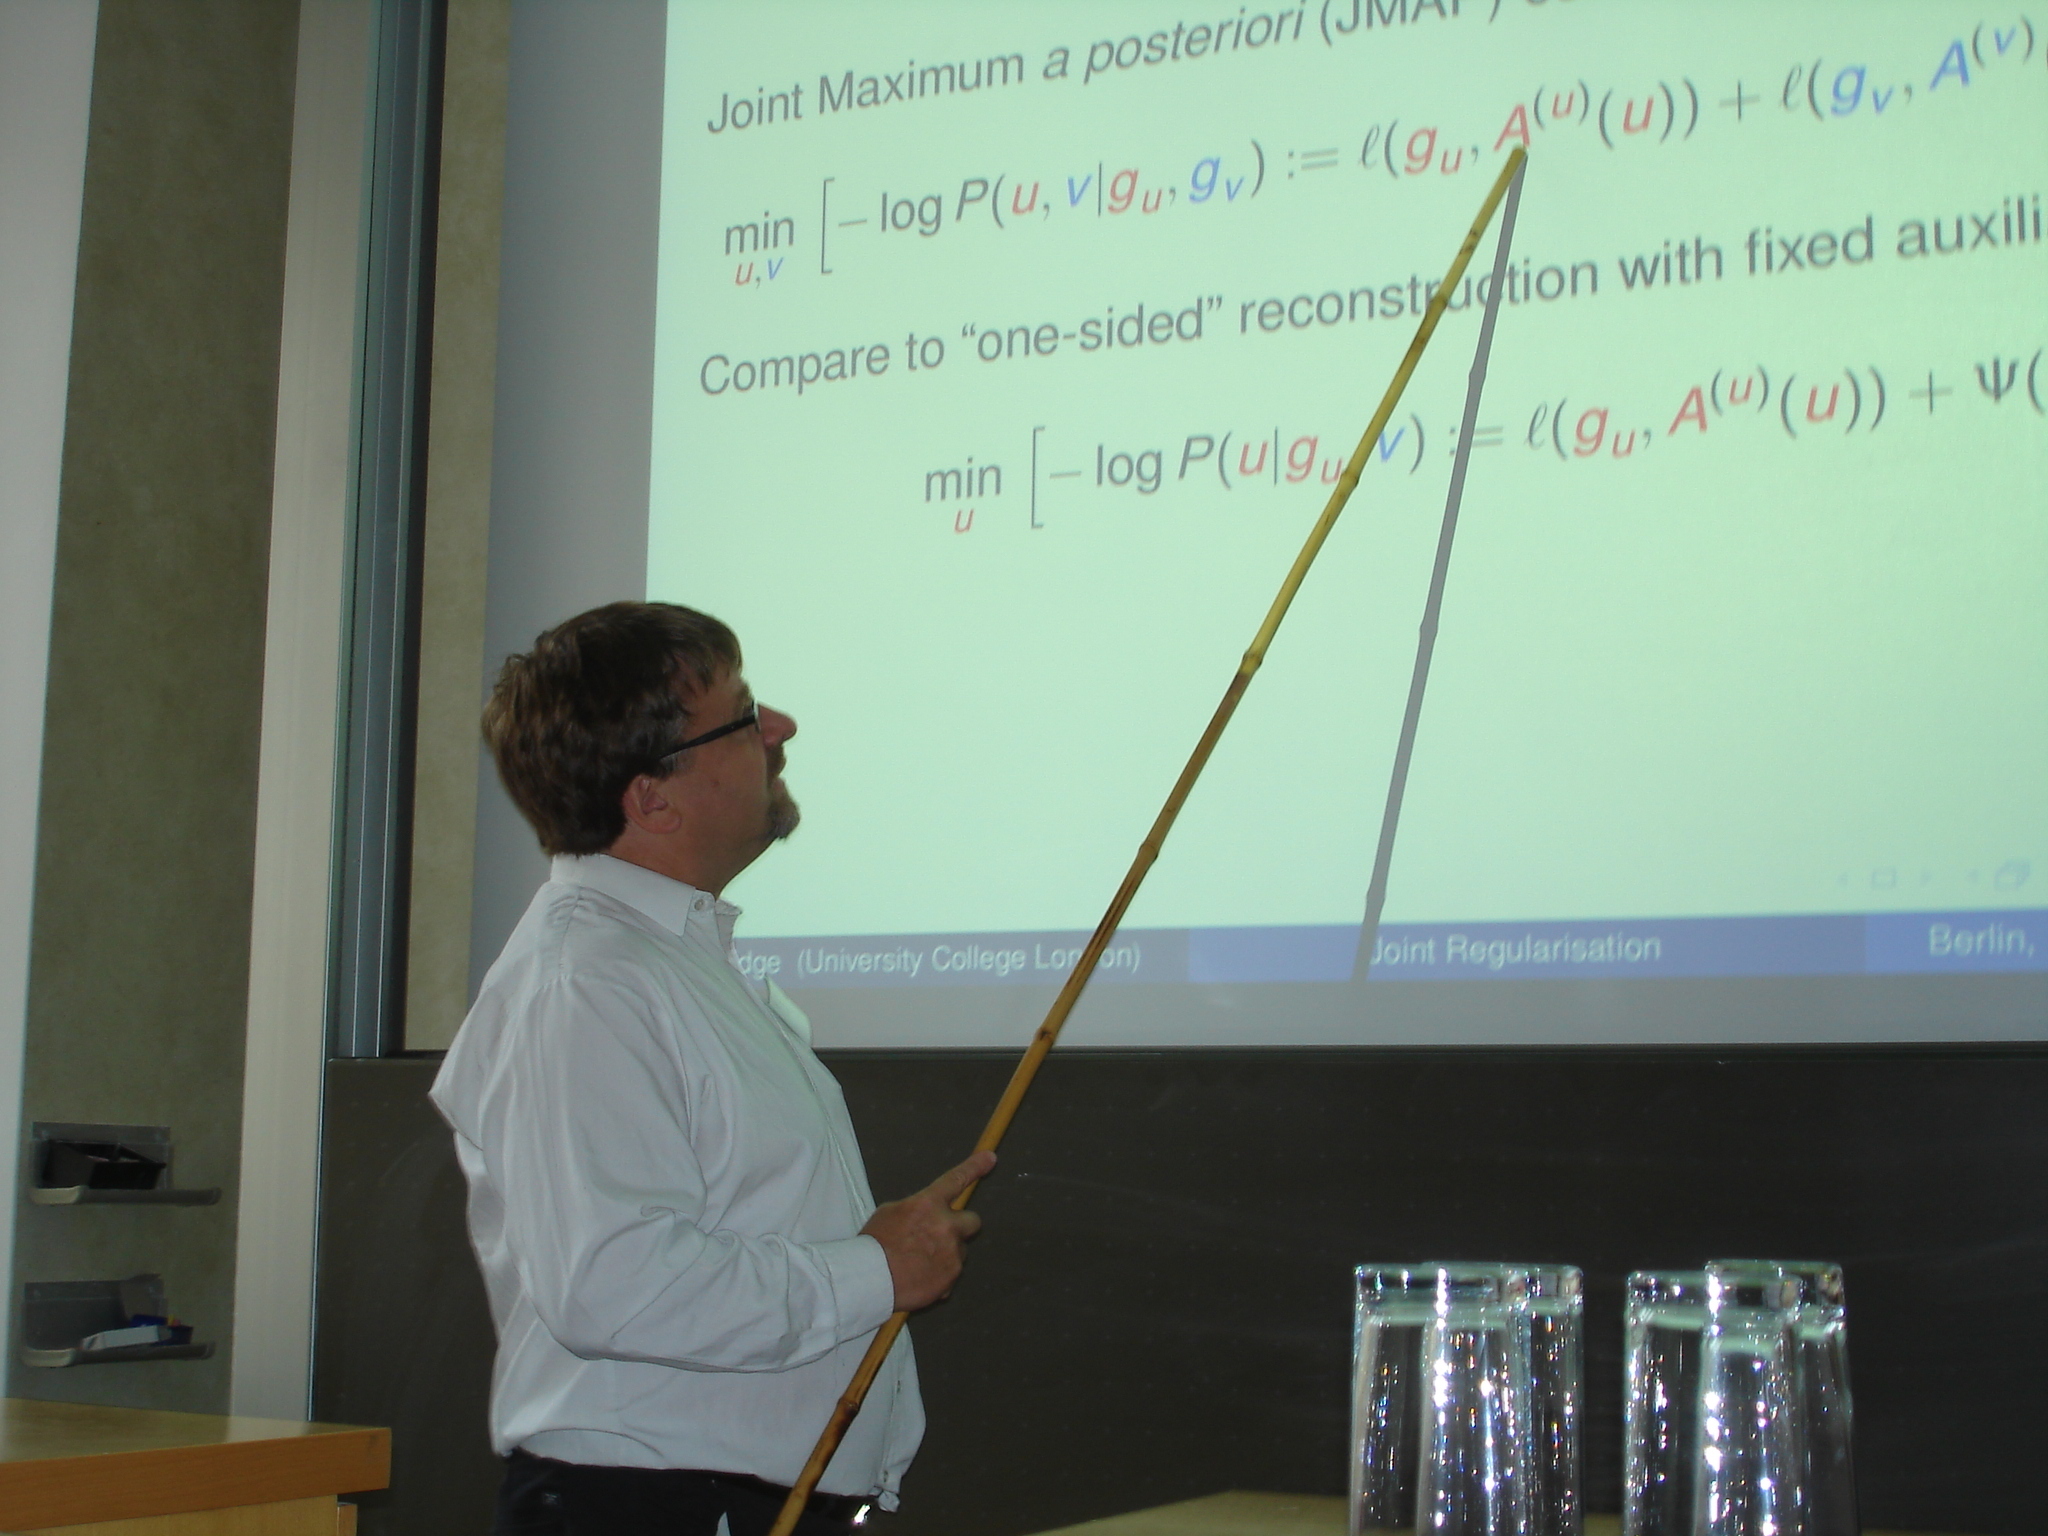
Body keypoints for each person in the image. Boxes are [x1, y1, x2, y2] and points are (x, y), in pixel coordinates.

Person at [432, 601, 991, 1536]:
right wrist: (874, 1270)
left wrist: (876, 1263)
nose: (781, 729)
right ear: (652, 799)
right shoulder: (585, 984)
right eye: (746, 716)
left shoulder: (666, 961)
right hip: (647, 1507)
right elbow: (617, 1283)